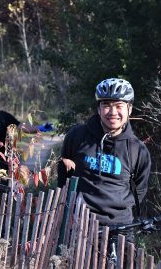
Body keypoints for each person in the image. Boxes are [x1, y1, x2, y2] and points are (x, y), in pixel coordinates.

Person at [57, 78, 151, 231]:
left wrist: (118, 207)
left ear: (130, 109)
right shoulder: (77, 136)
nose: (113, 112)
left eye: (119, 106)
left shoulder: (137, 150)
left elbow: (140, 190)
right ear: (99, 109)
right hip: (78, 224)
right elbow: (63, 177)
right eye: (106, 105)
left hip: (120, 227)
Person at [0, 87, 53, 169]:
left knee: (1, 181)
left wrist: (42, 127)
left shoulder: (3, 116)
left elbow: (22, 128)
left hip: (3, 160)